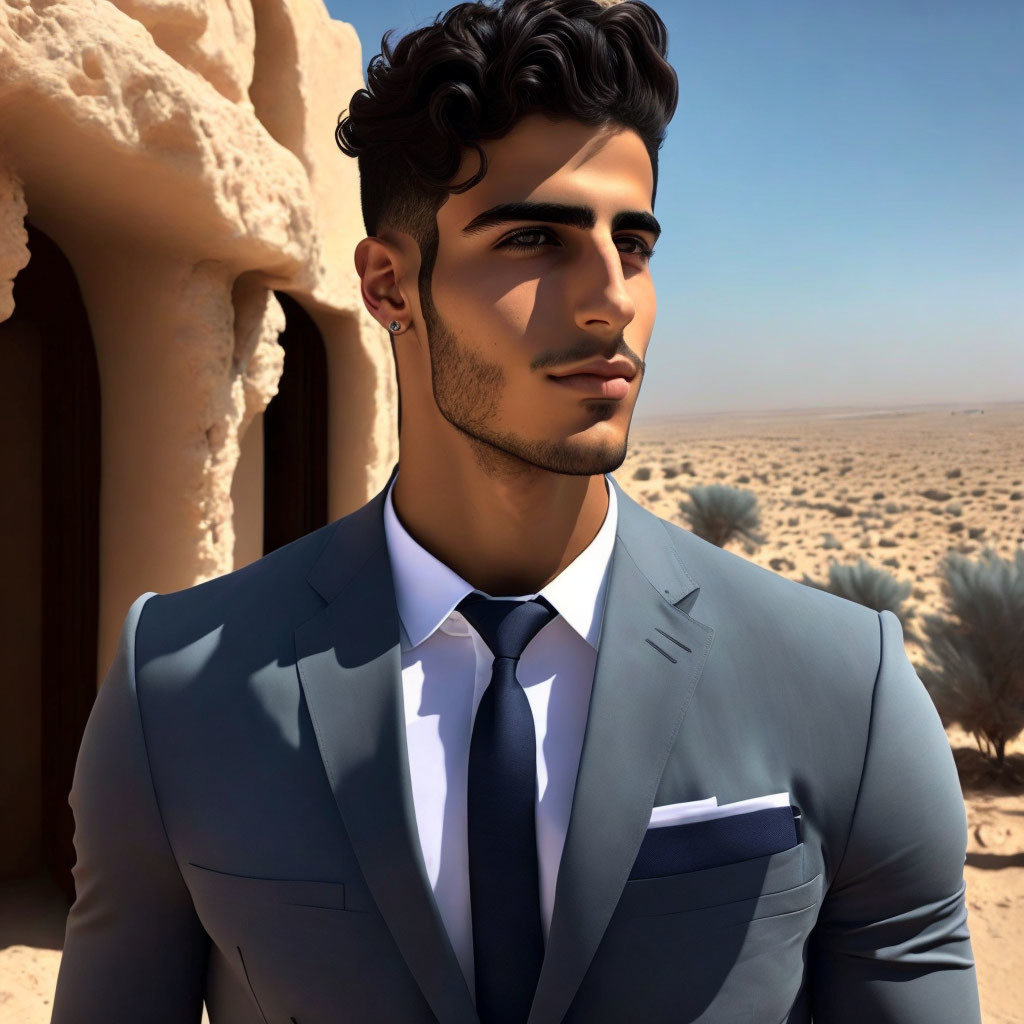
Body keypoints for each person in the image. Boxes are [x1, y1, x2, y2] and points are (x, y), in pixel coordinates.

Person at [51, 1, 982, 1021]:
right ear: (389, 283)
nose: (608, 299)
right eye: (535, 239)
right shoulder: (179, 687)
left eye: (632, 244)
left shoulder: (844, 689)